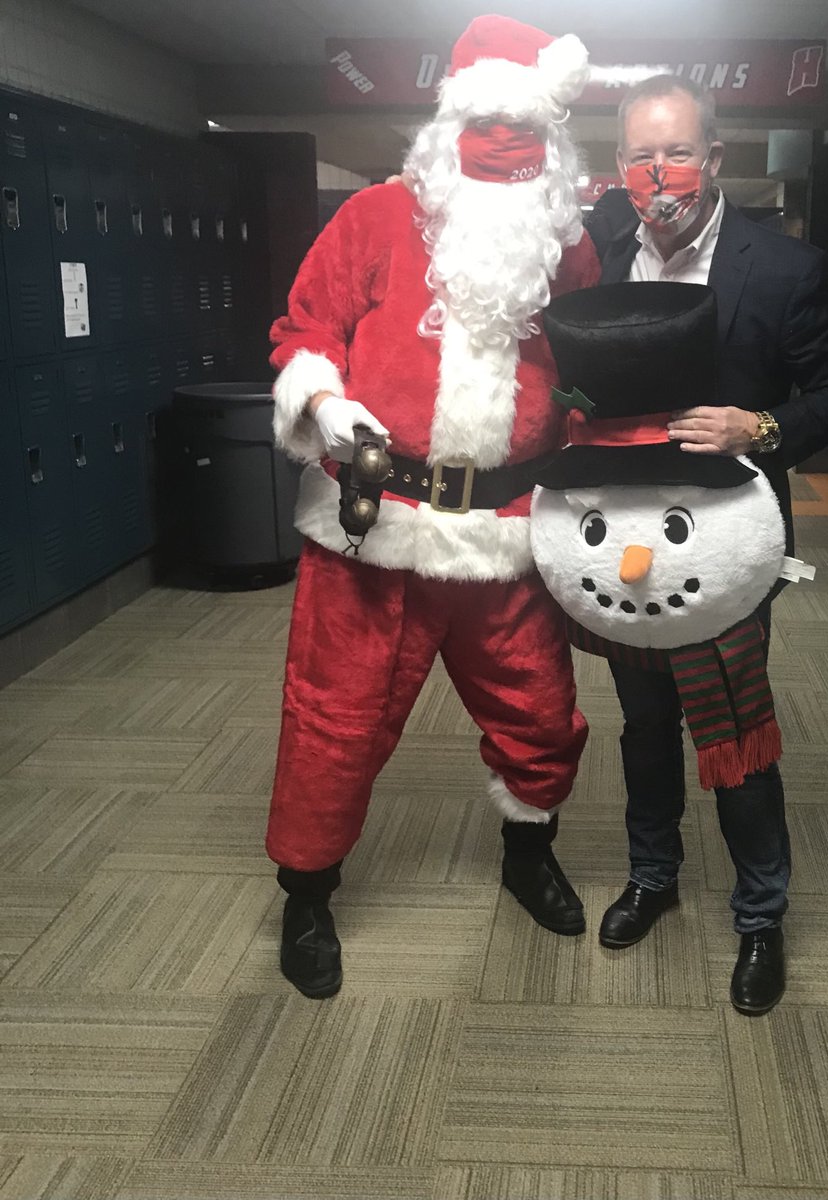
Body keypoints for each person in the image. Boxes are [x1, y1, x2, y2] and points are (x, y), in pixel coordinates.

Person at [266, 14, 601, 999]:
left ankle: (527, 852)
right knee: (336, 717)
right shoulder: (373, 218)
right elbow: (303, 333)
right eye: (489, 126)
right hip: (377, 533)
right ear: (451, 122)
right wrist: (328, 407)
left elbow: (586, 372)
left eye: (526, 134)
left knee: (541, 711)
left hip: (509, 537)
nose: (507, 150)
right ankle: (307, 889)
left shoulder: (564, 245)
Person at [588, 75, 828, 1015]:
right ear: (618, 165)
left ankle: (761, 915)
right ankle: (654, 875)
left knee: (737, 728)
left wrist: (758, 424)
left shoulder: (783, 267)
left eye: (676, 152)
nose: (658, 172)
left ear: (713, 160)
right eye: (640, 154)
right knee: (643, 723)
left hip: (731, 542)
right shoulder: (592, 249)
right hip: (624, 542)